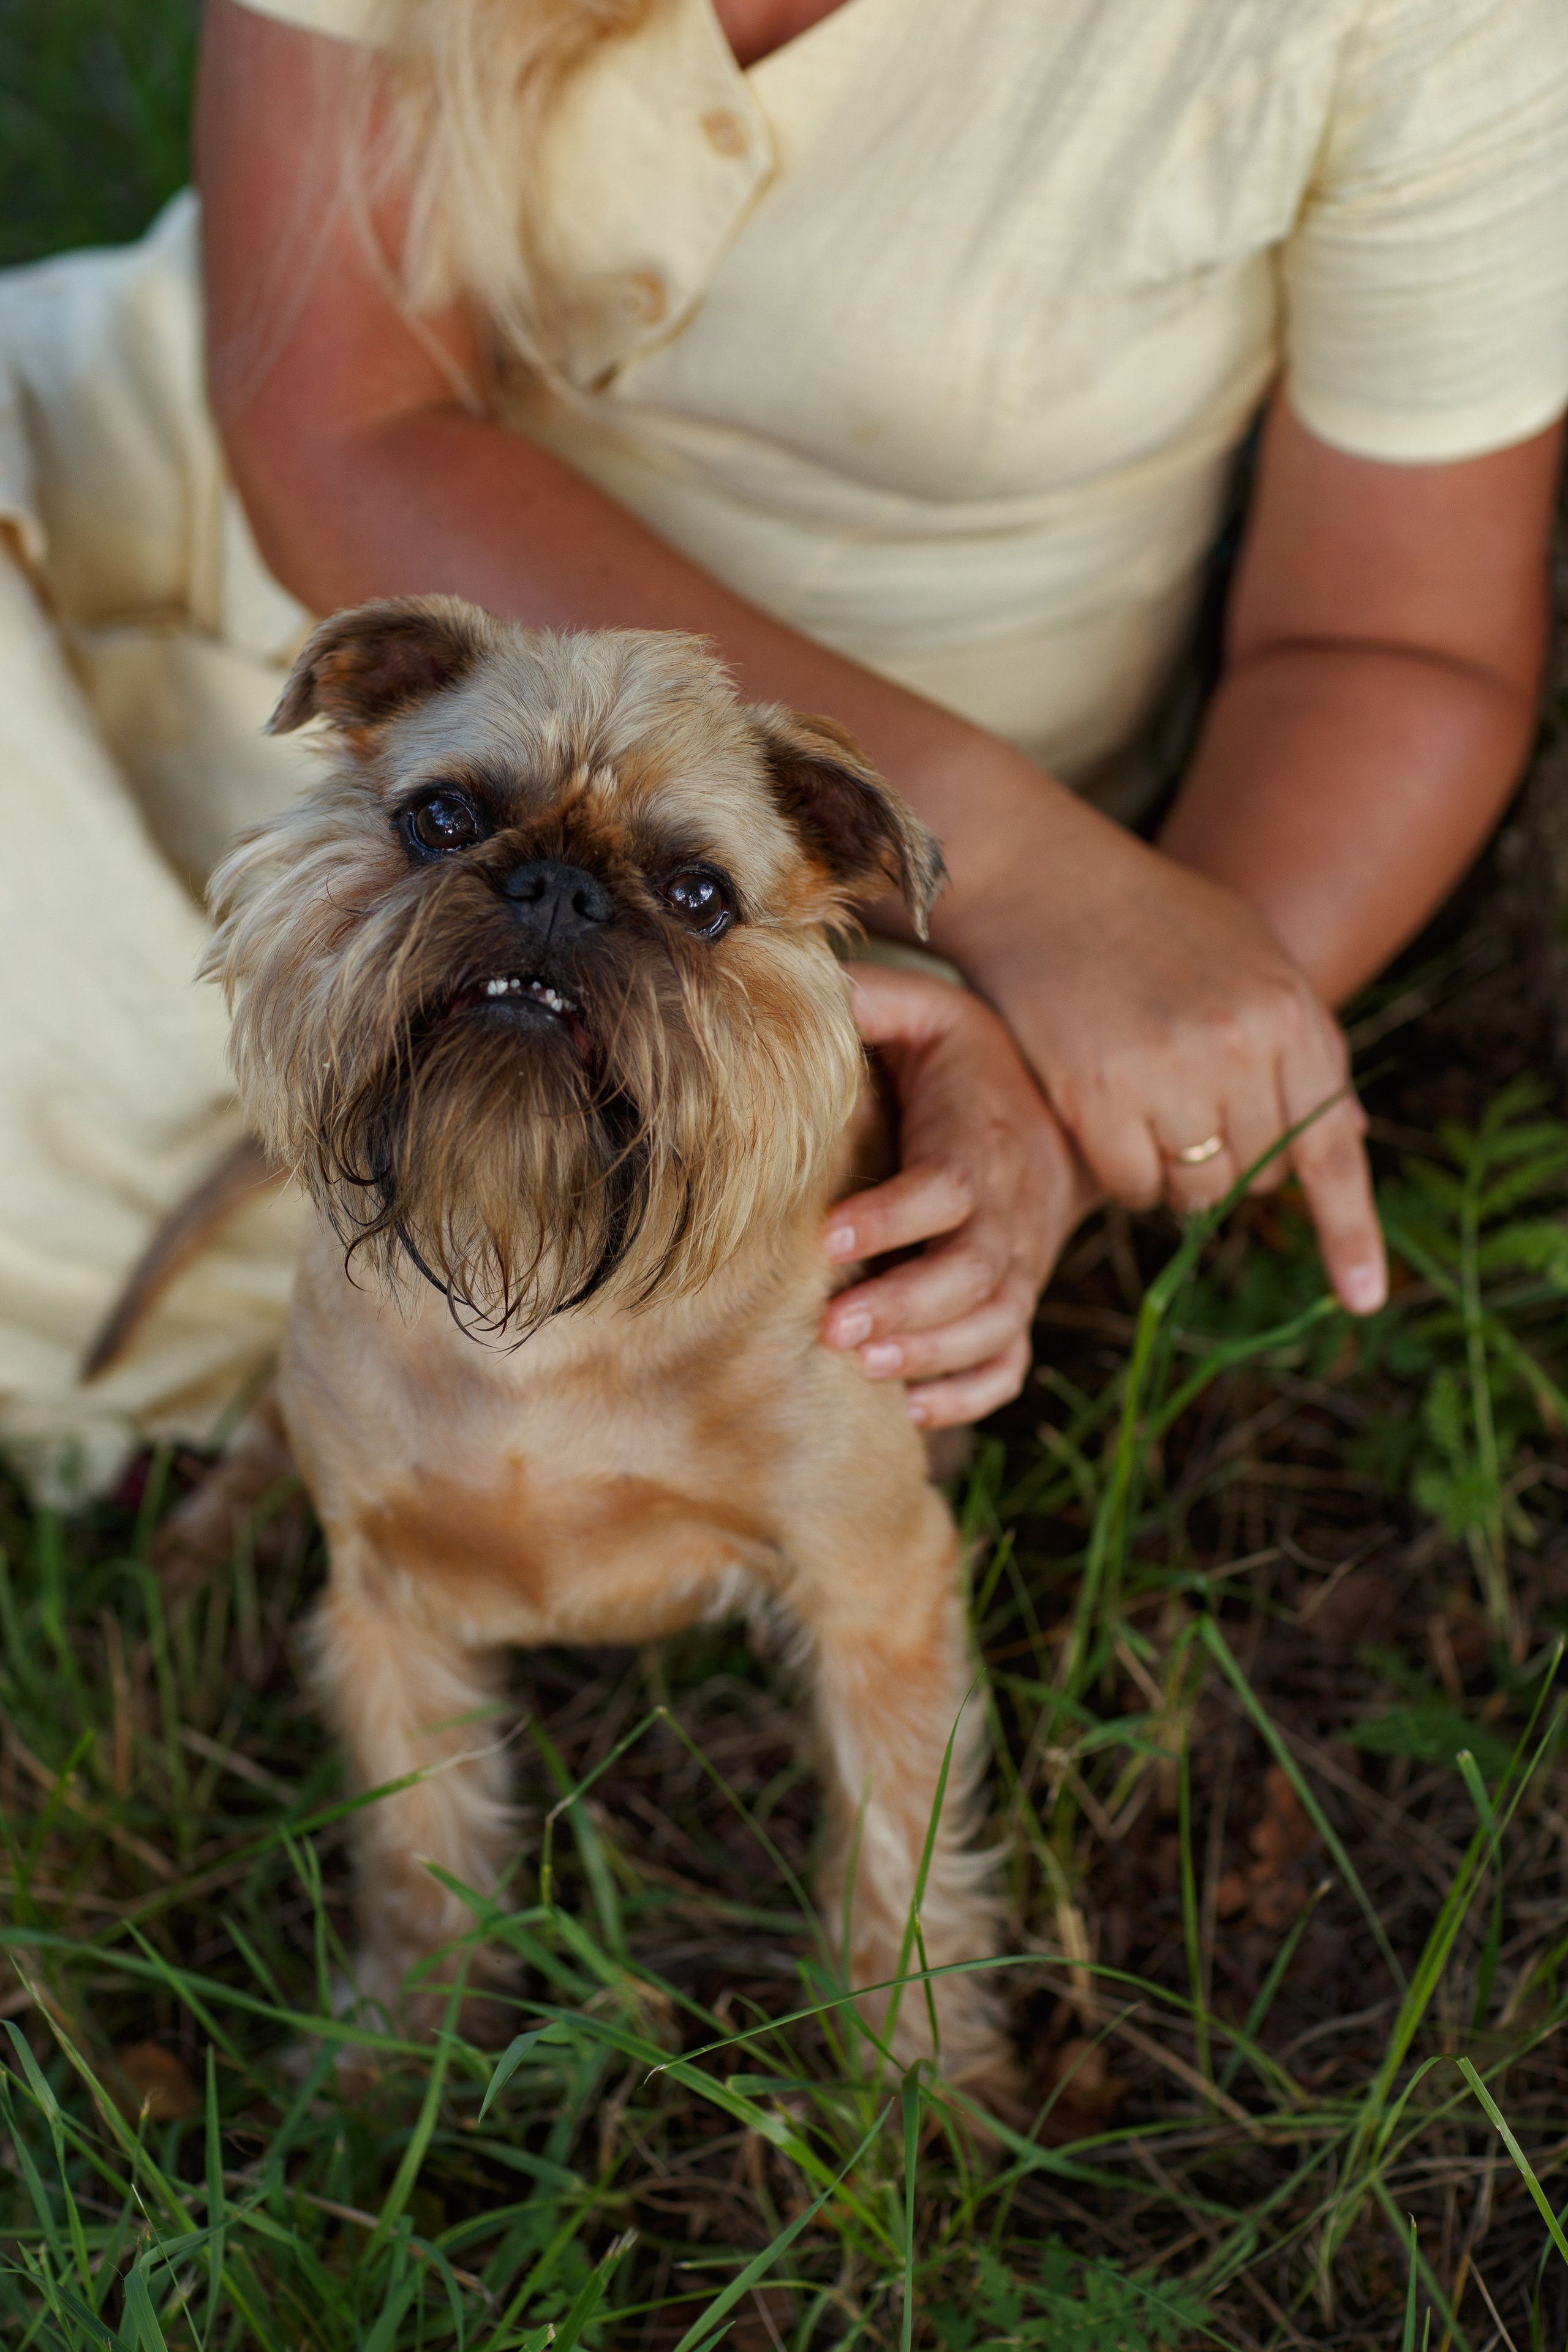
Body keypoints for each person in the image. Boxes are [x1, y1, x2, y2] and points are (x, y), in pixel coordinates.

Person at [0, 0, 1564, 1491]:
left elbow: (1390, 647)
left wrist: (1045, 1065)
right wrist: (1017, 868)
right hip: (198, 560)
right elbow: (335, 418)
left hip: (788, 886)